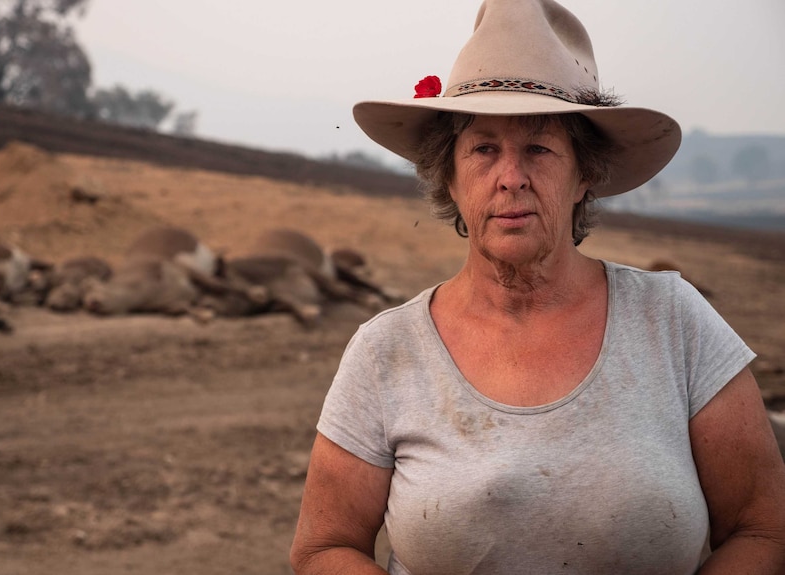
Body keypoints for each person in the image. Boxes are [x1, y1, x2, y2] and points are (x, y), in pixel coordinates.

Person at [290, 0, 785, 573]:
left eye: (539, 148)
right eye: (483, 149)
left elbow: (762, 530)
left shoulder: (674, 321)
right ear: (448, 177)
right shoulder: (386, 350)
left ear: (584, 175)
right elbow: (325, 548)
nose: (511, 177)